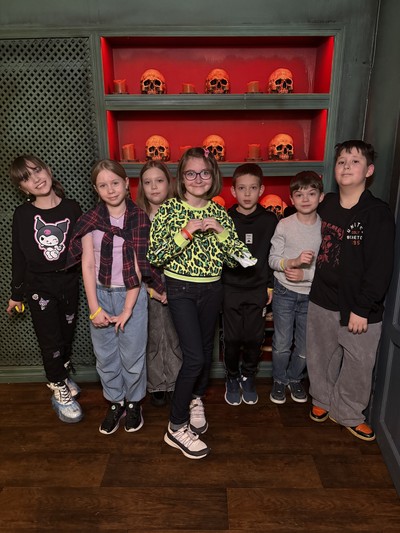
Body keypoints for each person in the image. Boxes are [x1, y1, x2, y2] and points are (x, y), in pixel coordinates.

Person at [147, 147, 256, 459]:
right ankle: (175, 425)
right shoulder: (169, 209)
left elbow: (244, 260)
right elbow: (155, 256)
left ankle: (196, 398)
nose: (198, 178)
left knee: (205, 353)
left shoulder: (220, 213)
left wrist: (220, 232)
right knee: (194, 357)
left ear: (213, 176)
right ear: (181, 178)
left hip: (212, 290)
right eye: (191, 173)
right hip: (180, 289)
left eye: (204, 172)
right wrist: (185, 233)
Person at [67, 159, 164, 435]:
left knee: (132, 355)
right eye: (102, 185)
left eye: (115, 183)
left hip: (131, 294)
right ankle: (115, 402)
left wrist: (128, 309)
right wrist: (94, 309)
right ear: (96, 190)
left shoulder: (139, 218)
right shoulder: (90, 220)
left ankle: (134, 403)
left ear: (126, 183)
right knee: (106, 356)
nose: (110, 190)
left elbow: (140, 266)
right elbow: (87, 265)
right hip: (100, 294)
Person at [307, 140, 395, 442]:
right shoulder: (327, 203)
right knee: (320, 356)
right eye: (341, 161)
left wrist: (362, 308)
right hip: (322, 299)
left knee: (359, 363)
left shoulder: (376, 213)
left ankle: (348, 413)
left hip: (359, 307)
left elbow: (380, 267)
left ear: (369, 171)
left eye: (355, 161)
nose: (346, 166)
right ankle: (322, 399)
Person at [6, 154, 83, 424]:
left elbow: (85, 249)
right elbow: (19, 256)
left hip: (69, 282)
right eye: (26, 178)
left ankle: (62, 372)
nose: (35, 179)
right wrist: (16, 294)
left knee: (66, 334)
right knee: (49, 339)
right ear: (22, 188)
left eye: (37, 170)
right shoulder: (23, 214)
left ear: (48, 170)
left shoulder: (72, 208)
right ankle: (57, 385)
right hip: (39, 286)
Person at [222, 163, 277, 406]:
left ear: (261, 190)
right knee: (233, 339)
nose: (247, 193)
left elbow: (273, 255)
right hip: (230, 288)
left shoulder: (270, 220)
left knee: (254, 338)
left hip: (257, 289)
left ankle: (248, 375)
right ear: (233, 191)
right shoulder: (225, 219)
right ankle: (232, 376)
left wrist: (270, 285)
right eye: (242, 188)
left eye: (252, 188)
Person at [268, 171, 324, 404]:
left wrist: (305, 274)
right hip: (284, 291)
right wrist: (291, 263)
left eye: (311, 193)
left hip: (312, 295)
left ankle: (294, 378)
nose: (306, 199)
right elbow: (273, 259)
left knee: (304, 345)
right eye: (299, 195)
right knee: (282, 343)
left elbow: (329, 267)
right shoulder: (284, 225)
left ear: (321, 197)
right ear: (291, 199)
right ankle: (279, 380)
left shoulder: (325, 228)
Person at [136, 160, 182, 407]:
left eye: (159, 181)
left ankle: (175, 381)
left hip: (177, 280)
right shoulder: (137, 216)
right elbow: (133, 256)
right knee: (152, 334)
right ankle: (156, 384)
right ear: (141, 187)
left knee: (176, 333)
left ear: (169, 183)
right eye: (148, 182)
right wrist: (149, 287)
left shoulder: (180, 212)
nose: (154, 187)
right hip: (146, 282)